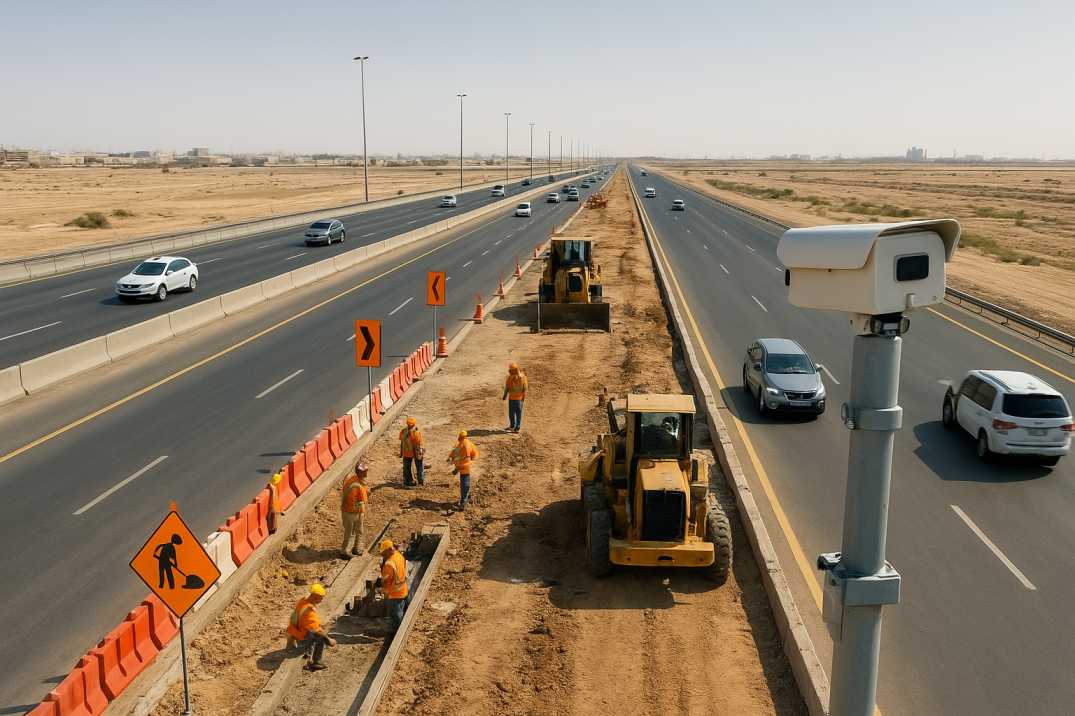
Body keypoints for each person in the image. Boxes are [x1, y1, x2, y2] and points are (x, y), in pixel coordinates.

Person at [286, 583, 336, 670]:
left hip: (293, 630)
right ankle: (316, 662)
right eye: (321, 598)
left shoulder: (302, 601)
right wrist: (329, 640)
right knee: (320, 638)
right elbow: (316, 631)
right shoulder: (309, 611)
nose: (321, 600)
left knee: (317, 630)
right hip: (301, 635)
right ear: (315, 597)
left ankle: (291, 644)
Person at [378, 540, 409, 634]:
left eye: (383, 553)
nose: (383, 556)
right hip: (403, 588)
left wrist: (379, 585)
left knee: (396, 615)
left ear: (388, 550)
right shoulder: (399, 556)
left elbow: (385, 579)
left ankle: (399, 633)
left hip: (394, 594)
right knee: (401, 609)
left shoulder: (389, 564)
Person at [340, 464, 369, 557]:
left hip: (358, 512)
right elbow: (350, 502)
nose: (366, 473)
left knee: (359, 531)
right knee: (350, 533)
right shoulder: (354, 485)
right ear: (359, 472)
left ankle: (356, 548)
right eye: (364, 471)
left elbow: (361, 494)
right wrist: (361, 504)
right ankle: (345, 551)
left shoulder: (359, 481)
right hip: (351, 513)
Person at [446, 431, 479, 511]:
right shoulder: (469, 444)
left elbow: (453, 453)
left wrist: (450, 458)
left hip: (459, 466)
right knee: (465, 483)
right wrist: (472, 458)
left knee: (463, 483)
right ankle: (464, 501)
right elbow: (475, 454)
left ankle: (464, 498)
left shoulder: (458, 445)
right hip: (466, 467)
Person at [502, 363, 529, 432]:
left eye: (511, 370)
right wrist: (523, 397)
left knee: (514, 413)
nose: (509, 371)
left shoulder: (515, 377)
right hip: (516, 398)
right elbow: (525, 388)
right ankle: (513, 426)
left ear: (514, 370)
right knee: (515, 413)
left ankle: (516, 427)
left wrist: (505, 396)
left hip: (516, 399)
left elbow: (507, 388)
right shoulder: (521, 377)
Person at [399, 417, 425, 487]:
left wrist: (401, 453)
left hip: (406, 453)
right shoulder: (416, 432)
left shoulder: (403, 431)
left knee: (407, 467)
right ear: (414, 424)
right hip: (415, 452)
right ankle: (421, 480)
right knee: (419, 466)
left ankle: (408, 481)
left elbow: (401, 442)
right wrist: (420, 453)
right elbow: (418, 444)